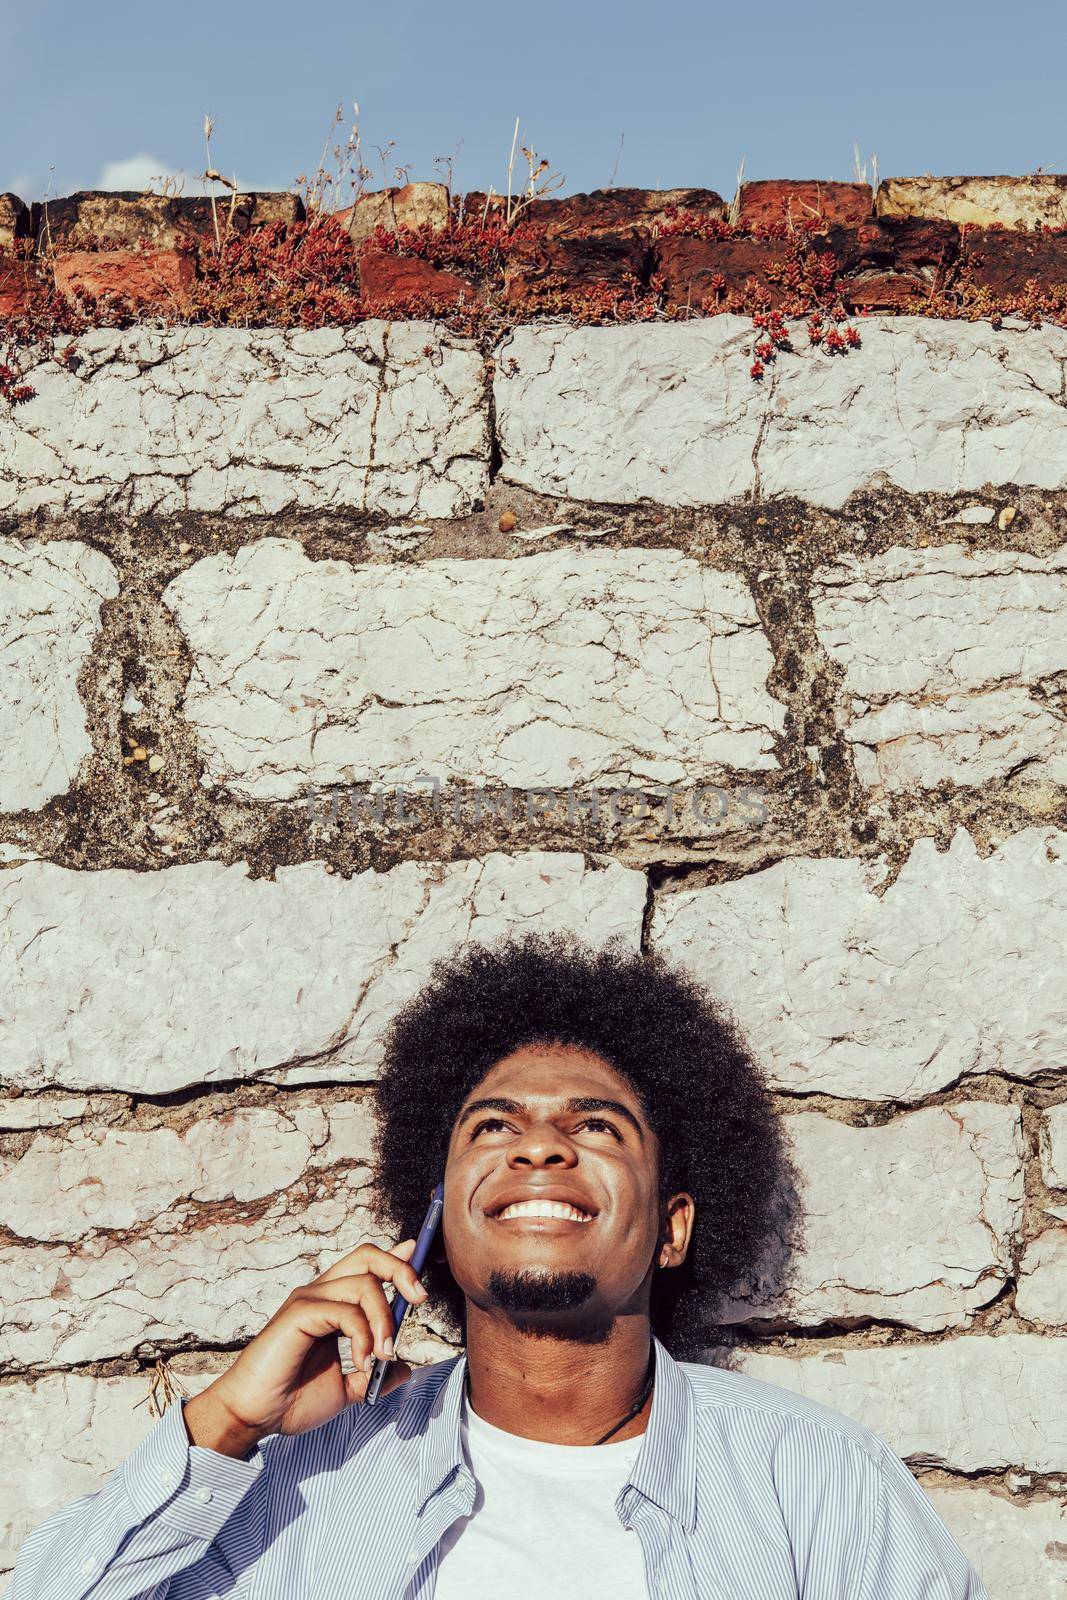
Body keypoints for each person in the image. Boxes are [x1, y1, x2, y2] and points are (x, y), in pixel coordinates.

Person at [10, 930, 989, 1599]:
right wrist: (225, 1421)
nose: (539, 1148)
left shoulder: (817, 1481)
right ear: (433, 1214)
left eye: (594, 1125)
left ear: (672, 1229)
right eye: (493, 1125)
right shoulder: (308, 1479)